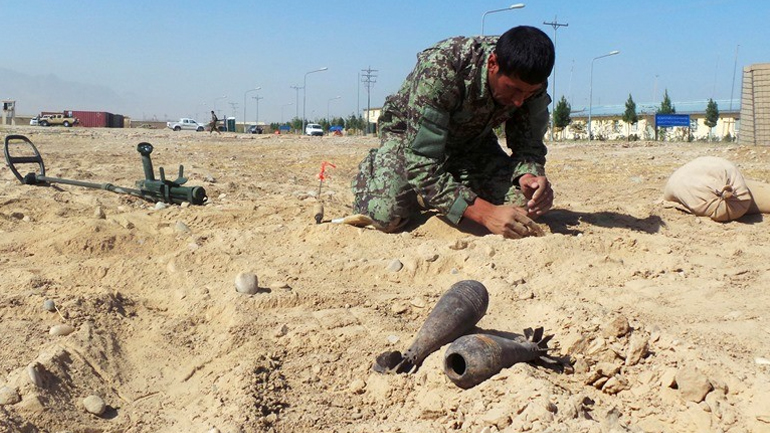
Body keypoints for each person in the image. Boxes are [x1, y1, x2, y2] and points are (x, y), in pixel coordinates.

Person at [351, 25, 555, 239]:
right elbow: (422, 164)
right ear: (493, 64)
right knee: (387, 214)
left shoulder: (530, 77)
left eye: (528, 93)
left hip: (472, 142)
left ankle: (441, 188)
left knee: (524, 208)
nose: (519, 100)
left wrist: (529, 176)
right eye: (512, 89)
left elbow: (529, 144)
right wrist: (486, 214)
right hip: (409, 139)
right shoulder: (442, 69)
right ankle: (375, 170)